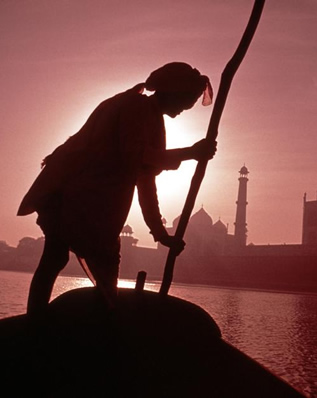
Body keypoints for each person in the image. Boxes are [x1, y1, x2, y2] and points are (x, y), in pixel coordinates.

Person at [17, 62, 216, 315]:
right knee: (55, 257)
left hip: (97, 203)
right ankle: (36, 323)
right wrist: (190, 152)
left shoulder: (153, 120)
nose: (185, 108)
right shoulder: (133, 106)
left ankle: (94, 325)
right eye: (187, 100)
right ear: (172, 91)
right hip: (73, 191)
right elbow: (135, 157)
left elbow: (145, 179)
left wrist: (159, 232)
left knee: (90, 264)